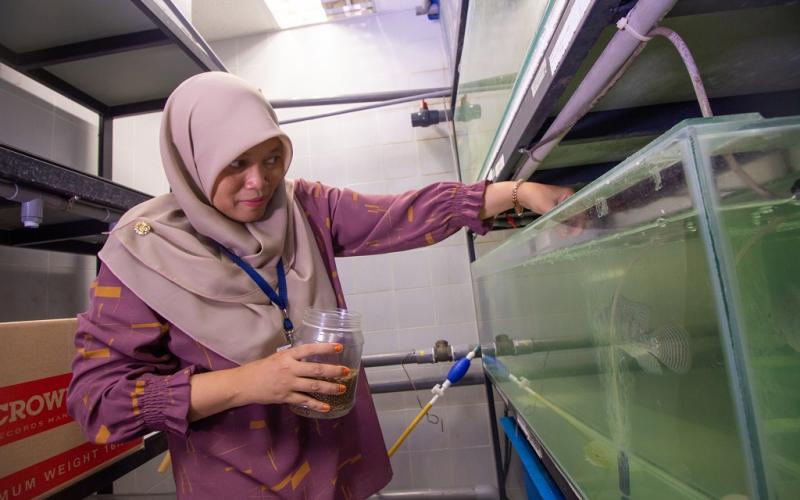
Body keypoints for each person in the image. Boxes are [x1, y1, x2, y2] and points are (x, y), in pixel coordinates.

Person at [66, 72, 573, 499]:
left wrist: (518, 192)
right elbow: (98, 403)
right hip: (237, 484)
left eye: (271, 159)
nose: (259, 183)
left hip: (336, 472)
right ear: (192, 160)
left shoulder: (302, 207)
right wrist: (251, 382)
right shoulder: (143, 254)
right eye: (236, 164)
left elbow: (400, 215)